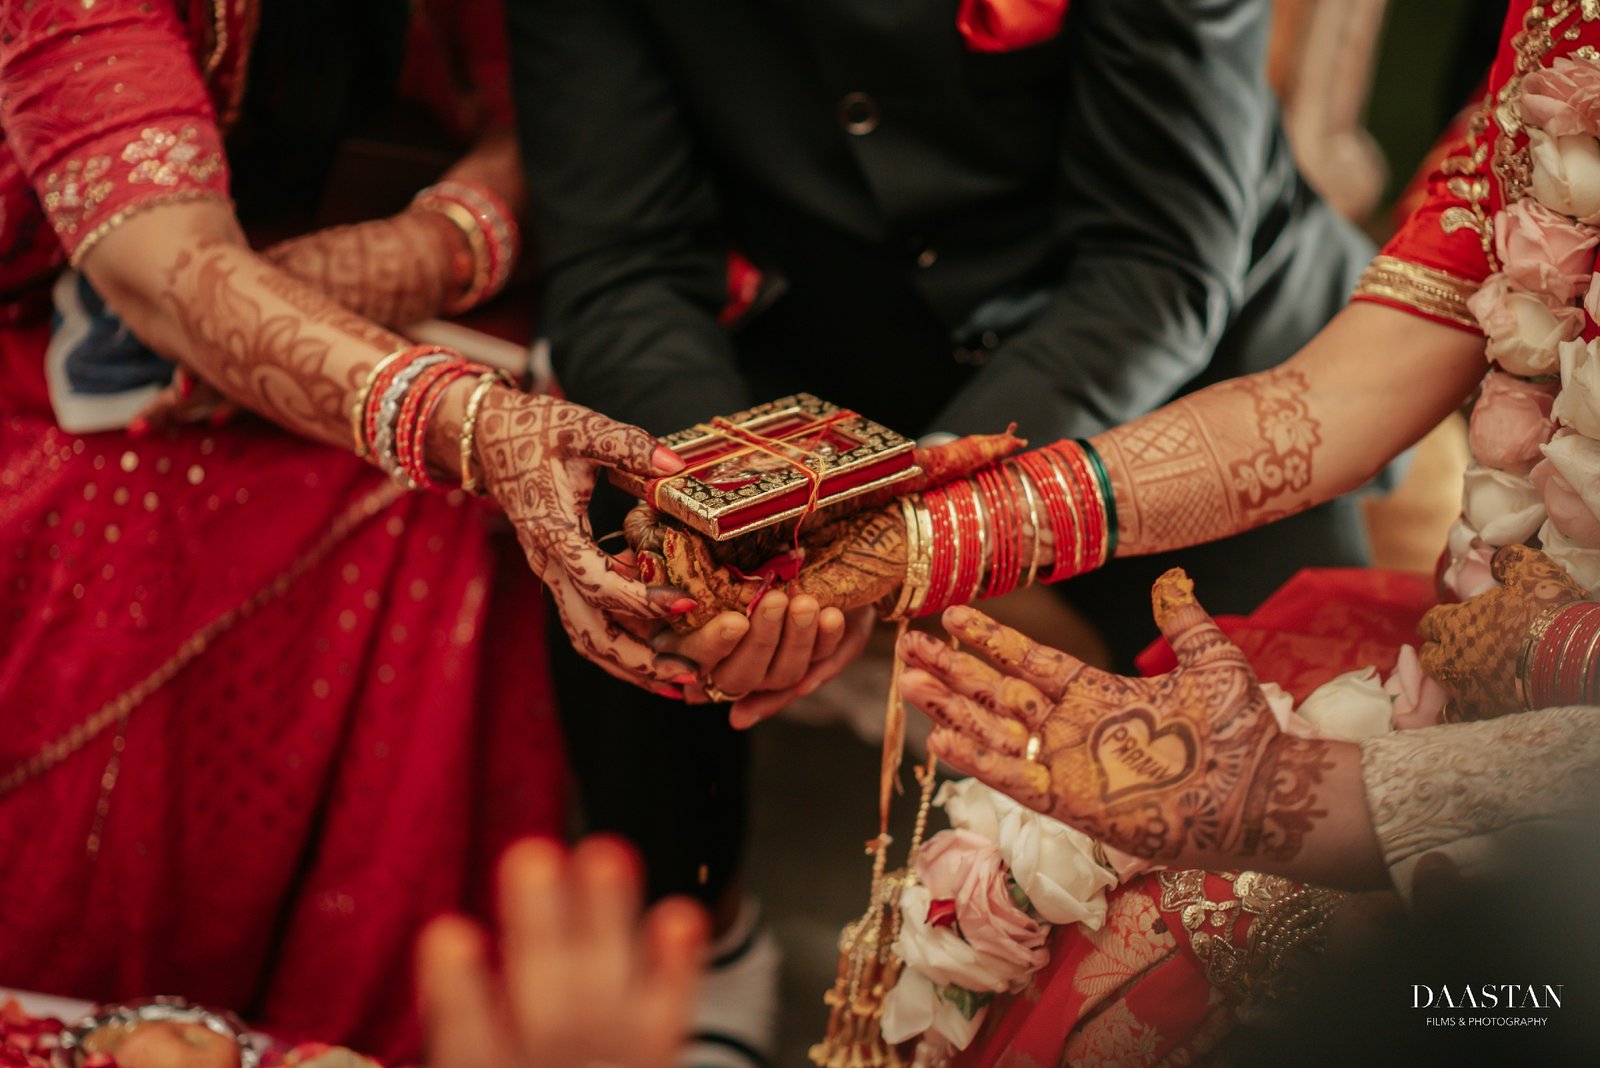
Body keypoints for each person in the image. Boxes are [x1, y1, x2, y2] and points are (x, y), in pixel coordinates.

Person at [509, 6, 1378, 1036]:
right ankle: (696, 946)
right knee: (633, 543)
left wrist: (898, 539)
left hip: (1179, 358)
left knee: (1305, 778)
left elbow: (1158, 258)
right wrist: (748, 509)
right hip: (826, 336)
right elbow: (626, 263)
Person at [0, 1, 784, 1059]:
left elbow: (571, 109)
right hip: (65, 342)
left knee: (566, 449)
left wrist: (425, 252)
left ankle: (610, 961)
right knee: (152, 506)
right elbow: (162, 270)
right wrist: (469, 424)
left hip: (345, 292)